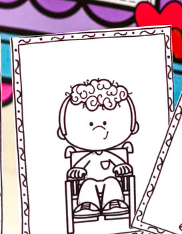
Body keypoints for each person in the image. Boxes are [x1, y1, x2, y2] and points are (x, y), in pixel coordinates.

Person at [58, 78, 138, 220]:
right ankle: (87, 205)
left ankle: (114, 202)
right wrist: (77, 170)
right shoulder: (86, 157)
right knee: (87, 185)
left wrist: (122, 167)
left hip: (110, 179)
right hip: (90, 180)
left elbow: (120, 164)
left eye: (105, 122)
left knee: (112, 182)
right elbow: (79, 167)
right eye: (90, 124)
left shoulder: (112, 155)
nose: (99, 128)